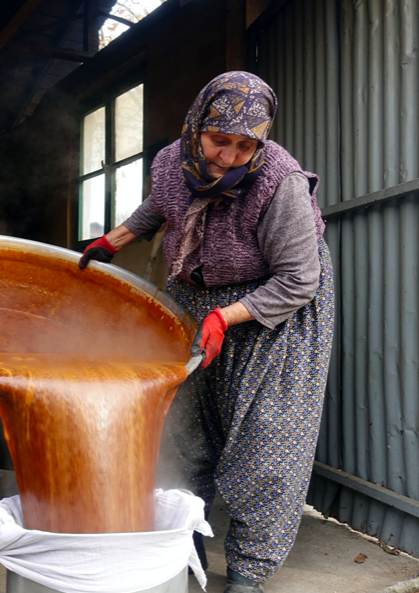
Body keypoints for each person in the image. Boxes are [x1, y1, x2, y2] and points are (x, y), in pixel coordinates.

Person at [78, 72, 334, 592]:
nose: (228, 157)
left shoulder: (277, 182)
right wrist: (117, 237)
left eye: (245, 146)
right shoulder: (174, 159)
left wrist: (226, 316)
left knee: (267, 441)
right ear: (196, 127)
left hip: (276, 310)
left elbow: (299, 278)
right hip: (199, 297)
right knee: (188, 430)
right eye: (220, 141)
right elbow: (164, 203)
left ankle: (248, 573)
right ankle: (184, 543)